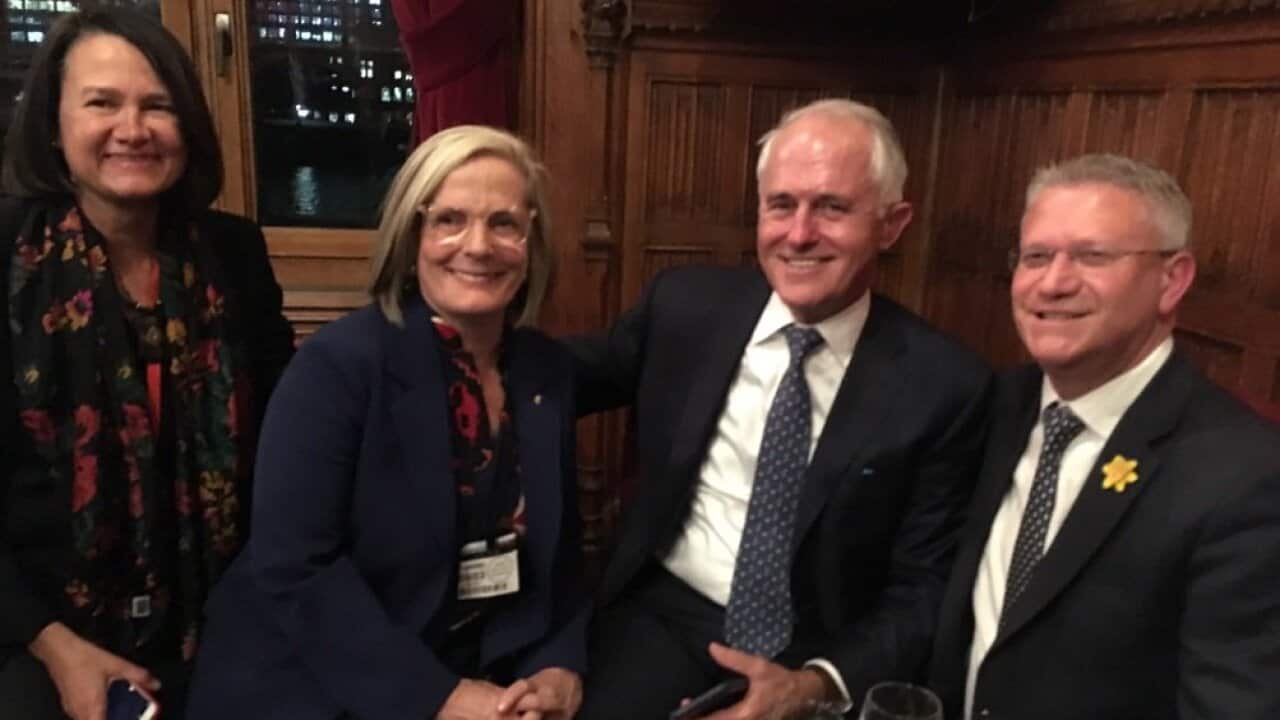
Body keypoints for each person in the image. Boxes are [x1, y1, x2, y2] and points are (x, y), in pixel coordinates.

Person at [571, 99, 992, 719]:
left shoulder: (943, 384)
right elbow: (555, 379)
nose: (799, 234)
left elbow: (924, 587)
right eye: (781, 205)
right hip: (664, 616)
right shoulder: (685, 309)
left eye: (832, 208)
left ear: (892, 224)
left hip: (820, 653)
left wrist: (815, 684)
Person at [186, 125, 588, 720]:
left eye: (504, 223)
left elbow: (564, 555)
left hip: (482, 673)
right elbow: (296, 568)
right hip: (313, 679)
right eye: (449, 219)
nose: (478, 246)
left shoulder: (544, 372)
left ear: (532, 244)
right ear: (411, 237)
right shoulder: (339, 366)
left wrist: (560, 666)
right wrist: (440, 699)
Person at [0, 8, 295, 719]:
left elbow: (291, 434)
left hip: (219, 605)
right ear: (53, 124)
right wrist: (51, 644)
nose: (132, 130)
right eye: (102, 103)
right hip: (36, 621)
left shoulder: (233, 254)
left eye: (157, 106)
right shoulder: (6, 253)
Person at [929, 154, 1280, 719]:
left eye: (1093, 256)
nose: (1054, 282)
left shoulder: (1247, 477)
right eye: (1036, 257)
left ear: (1172, 279)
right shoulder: (999, 405)